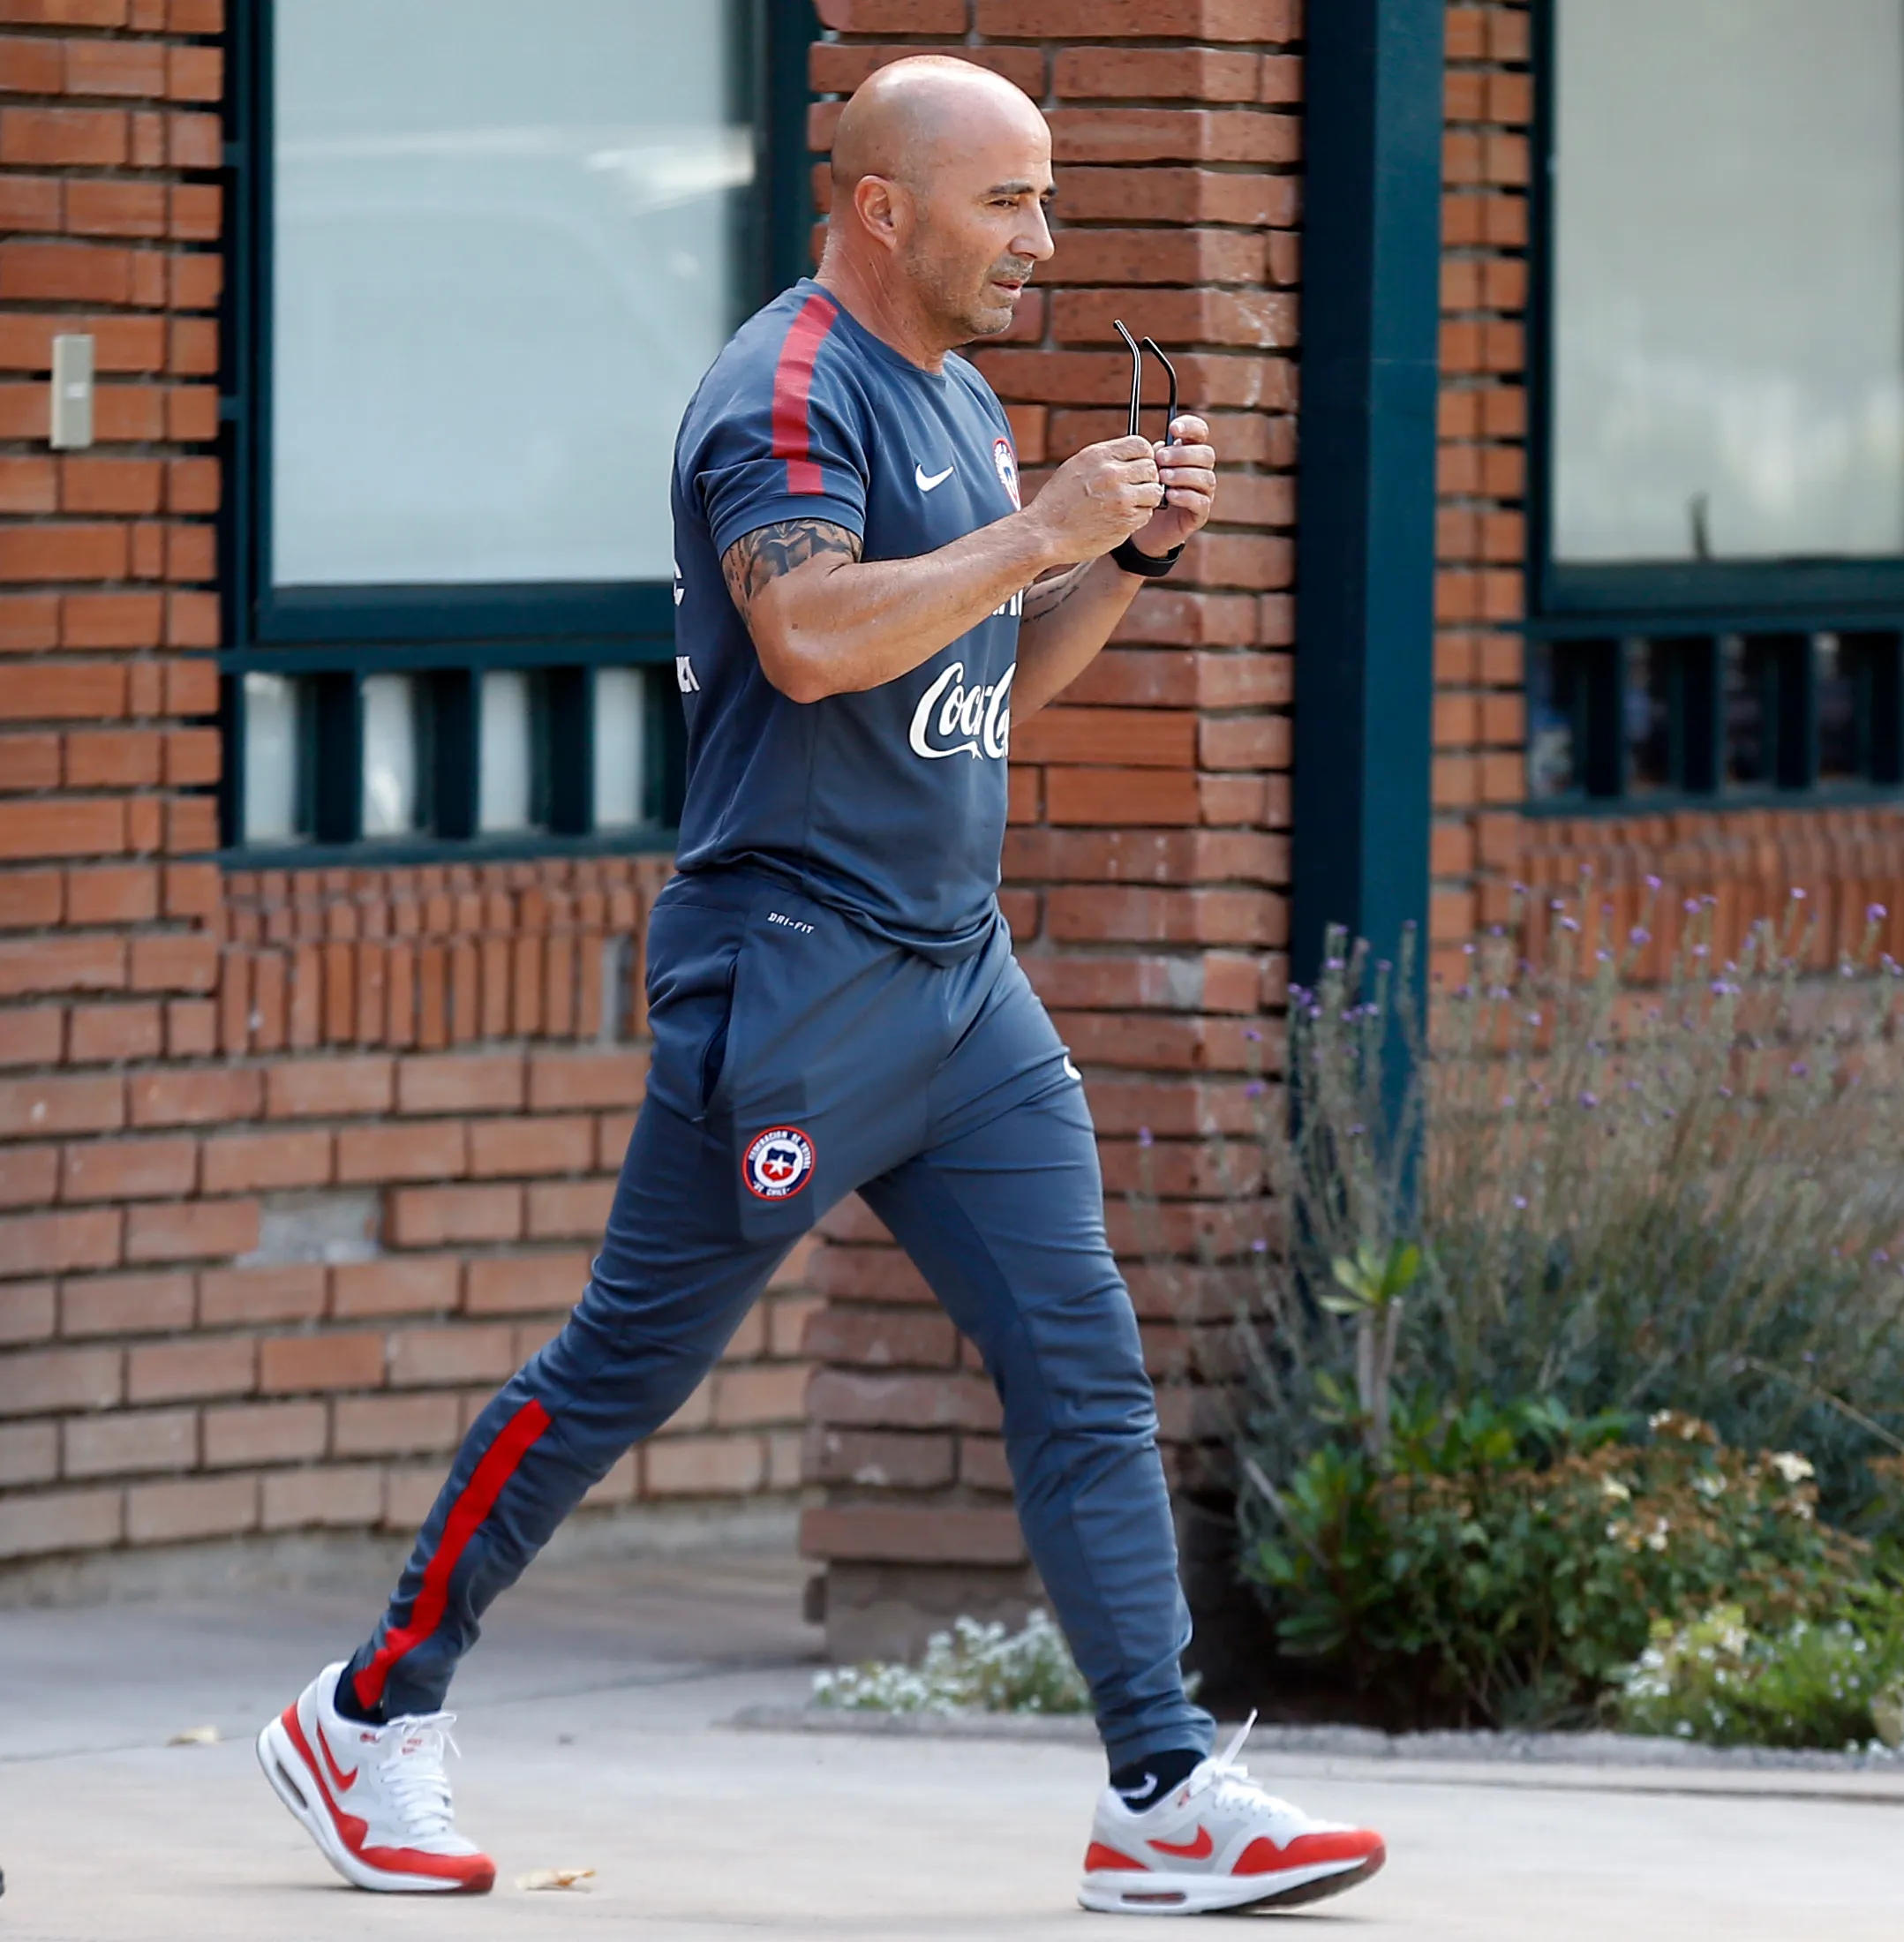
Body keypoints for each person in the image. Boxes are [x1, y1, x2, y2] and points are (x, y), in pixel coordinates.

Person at [252, 56, 1385, 1919]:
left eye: (1045, 199)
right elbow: (802, 636)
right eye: (1007, 200)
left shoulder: (954, 387)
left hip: (958, 983)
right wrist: (1039, 528)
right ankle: (368, 1711)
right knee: (624, 1368)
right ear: (882, 205)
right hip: (787, 980)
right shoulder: (780, 392)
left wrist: (1123, 562)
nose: (1042, 237)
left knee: (1081, 1363)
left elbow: (972, 694)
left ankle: (1161, 1787)